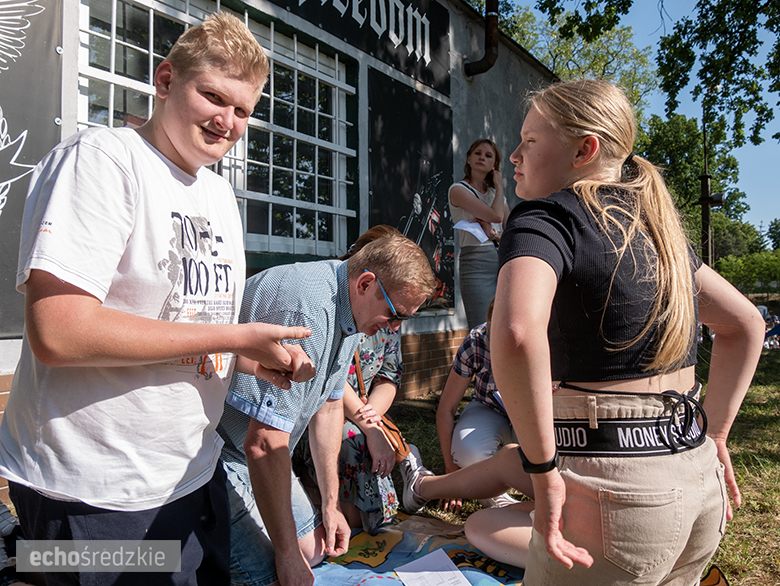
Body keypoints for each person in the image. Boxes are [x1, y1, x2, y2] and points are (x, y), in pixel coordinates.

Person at [0, 13, 315, 585]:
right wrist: (234, 337)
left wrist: (250, 358)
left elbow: (178, 326)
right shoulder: (102, 159)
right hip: (92, 491)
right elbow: (58, 332)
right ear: (166, 81)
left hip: (190, 476)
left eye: (243, 111)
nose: (228, 122)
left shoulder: (219, 194)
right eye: (213, 97)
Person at [490, 79, 764, 585]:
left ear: (583, 149)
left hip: (613, 494)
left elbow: (515, 333)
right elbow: (745, 324)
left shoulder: (545, 217)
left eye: (529, 140)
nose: (513, 155)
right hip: (699, 481)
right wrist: (718, 435)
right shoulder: (657, 230)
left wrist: (543, 471)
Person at [217, 232, 436, 586]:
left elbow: (330, 406)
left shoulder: (350, 310)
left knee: (315, 550)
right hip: (220, 452)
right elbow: (262, 444)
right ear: (366, 283)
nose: (394, 327)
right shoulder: (307, 311)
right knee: (272, 573)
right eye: (395, 315)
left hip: (256, 450)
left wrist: (330, 504)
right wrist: (287, 555)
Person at [295, 226, 429, 534]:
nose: (395, 326)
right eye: (395, 315)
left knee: (365, 448)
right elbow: (329, 379)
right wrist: (367, 425)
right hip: (323, 409)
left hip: (363, 412)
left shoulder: (391, 313)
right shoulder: (341, 307)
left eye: (402, 319)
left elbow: (389, 375)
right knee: (354, 444)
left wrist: (373, 417)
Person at [436, 298, 517, 511]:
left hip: (535, 415)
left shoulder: (552, 339)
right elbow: (446, 408)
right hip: (490, 407)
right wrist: (452, 474)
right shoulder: (477, 340)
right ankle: (493, 492)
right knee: (467, 450)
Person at [448, 139, 509, 329]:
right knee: (481, 327)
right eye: (478, 153)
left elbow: (511, 231)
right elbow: (496, 215)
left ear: (494, 165)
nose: (482, 157)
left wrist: (493, 234)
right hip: (475, 261)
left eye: (488, 155)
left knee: (503, 327)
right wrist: (499, 187)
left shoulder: (495, 195)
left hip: (502, 259)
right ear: (468, 158)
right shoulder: (458, 190)